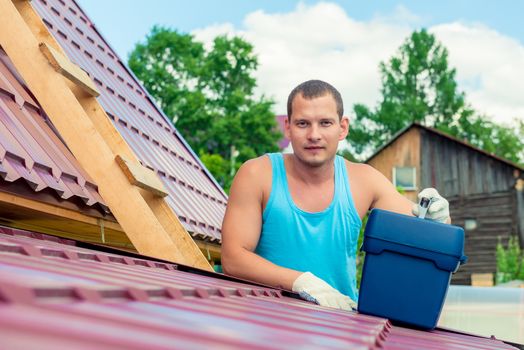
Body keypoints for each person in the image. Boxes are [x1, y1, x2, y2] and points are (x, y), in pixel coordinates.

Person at [221, 80, 450, 311]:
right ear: (288, 127)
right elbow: (233, 258)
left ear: (342, 128)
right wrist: (300, 281)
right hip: (269, 320)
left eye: (325, 123)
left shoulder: (364, 181)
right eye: (303, 123)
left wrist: (437, 215)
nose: (314, 134)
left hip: (340, 320)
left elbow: (428, 234)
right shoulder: (257, 174)